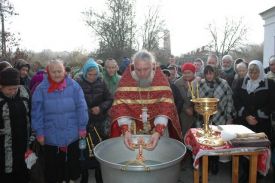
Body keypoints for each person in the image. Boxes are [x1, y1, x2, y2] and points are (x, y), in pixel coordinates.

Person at [110, 50, 182, 150]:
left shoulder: (161, 81)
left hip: (157, 128)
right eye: (138, 70)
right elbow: (121, 108)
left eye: (146, 69)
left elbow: (165, 108)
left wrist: (158, 131)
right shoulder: (125, 82)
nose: (142, 73)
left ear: (152, 66)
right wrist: (125, 130)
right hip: (131, 128)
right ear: (133, 66)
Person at [32, 59, 89, 183]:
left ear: (64, 71)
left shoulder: (74, 86)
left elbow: (82, 107)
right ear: (48, 72)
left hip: (72, 134)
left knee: (72, 164)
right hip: (51, 136)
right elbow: (37, 113)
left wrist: (82, 127)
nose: (57, 74)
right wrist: (39, 133)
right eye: (54, 72)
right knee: (53, 167)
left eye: (59, 71)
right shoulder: (41, 89)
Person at [233, 60, 275, 182]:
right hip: (244, 123)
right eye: (251, 72)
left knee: (259, 150)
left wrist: (256, 115)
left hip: (261, 123)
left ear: (261, 71)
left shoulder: (270, 83)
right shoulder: (241, 82)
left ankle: (258, 174)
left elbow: (272, 103)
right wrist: (246, 116)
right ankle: (245, 174)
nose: (253, 74)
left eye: (256, 72)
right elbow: (236, 100)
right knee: (244, 150)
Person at [76, 58, 113, 183]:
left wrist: (101, 108)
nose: (92, 77)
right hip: (83, 121)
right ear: (85, 73)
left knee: (100, 148)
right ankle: (84, 173)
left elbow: (109, 99)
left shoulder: (102, 82)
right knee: (83, 149)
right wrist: (86, 110)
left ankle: (99, 173)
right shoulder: (78, 82)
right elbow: (75, 101)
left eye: (95, 74)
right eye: (89, 74)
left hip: (99, 121)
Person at [198, 65, 235, 175]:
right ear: (204, 74)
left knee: (217, 141)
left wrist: (229, 117)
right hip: (204, 118)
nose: (209, 75)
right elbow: (194, 97)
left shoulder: (223, 83)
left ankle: (215, 163)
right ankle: (206, 163)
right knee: (205, 140)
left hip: (220, 117)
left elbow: (229, 100)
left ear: (215, 73)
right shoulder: (201, 83)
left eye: (211, 73)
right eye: (207, 73)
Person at [0, 68, 31, 183]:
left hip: (23, 141)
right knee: (7, 173)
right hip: (4, 145)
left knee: (23, 170)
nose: (13, 92)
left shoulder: (24, 92)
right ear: (1, 86)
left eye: (15, 88)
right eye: (9, 89)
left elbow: (31, 113)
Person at [174, 63, 200, 136]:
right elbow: (177, 99)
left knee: (197, 133)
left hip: (197, 112)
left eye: (189, 73)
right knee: (186, 133)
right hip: (184, 114)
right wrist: (185, 108)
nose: (187, 75)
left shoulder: (198, 81)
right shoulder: (177, 83)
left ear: (194, 72)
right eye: (184, 73)